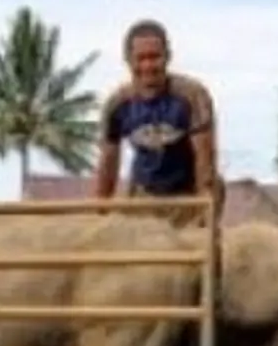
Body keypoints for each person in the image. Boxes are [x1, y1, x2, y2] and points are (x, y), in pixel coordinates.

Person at [92, 19, 222, 227]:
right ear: (128, 60)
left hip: (188, 194)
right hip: (144, 196)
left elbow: (205, 160)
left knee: (197, 251)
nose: (148, 66)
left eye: (155, 57)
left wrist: (204, 213)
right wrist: (97, 217)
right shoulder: (118, 105)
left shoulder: (192, 96)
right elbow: (107, 166)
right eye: (141, 58)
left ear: (167, 57)